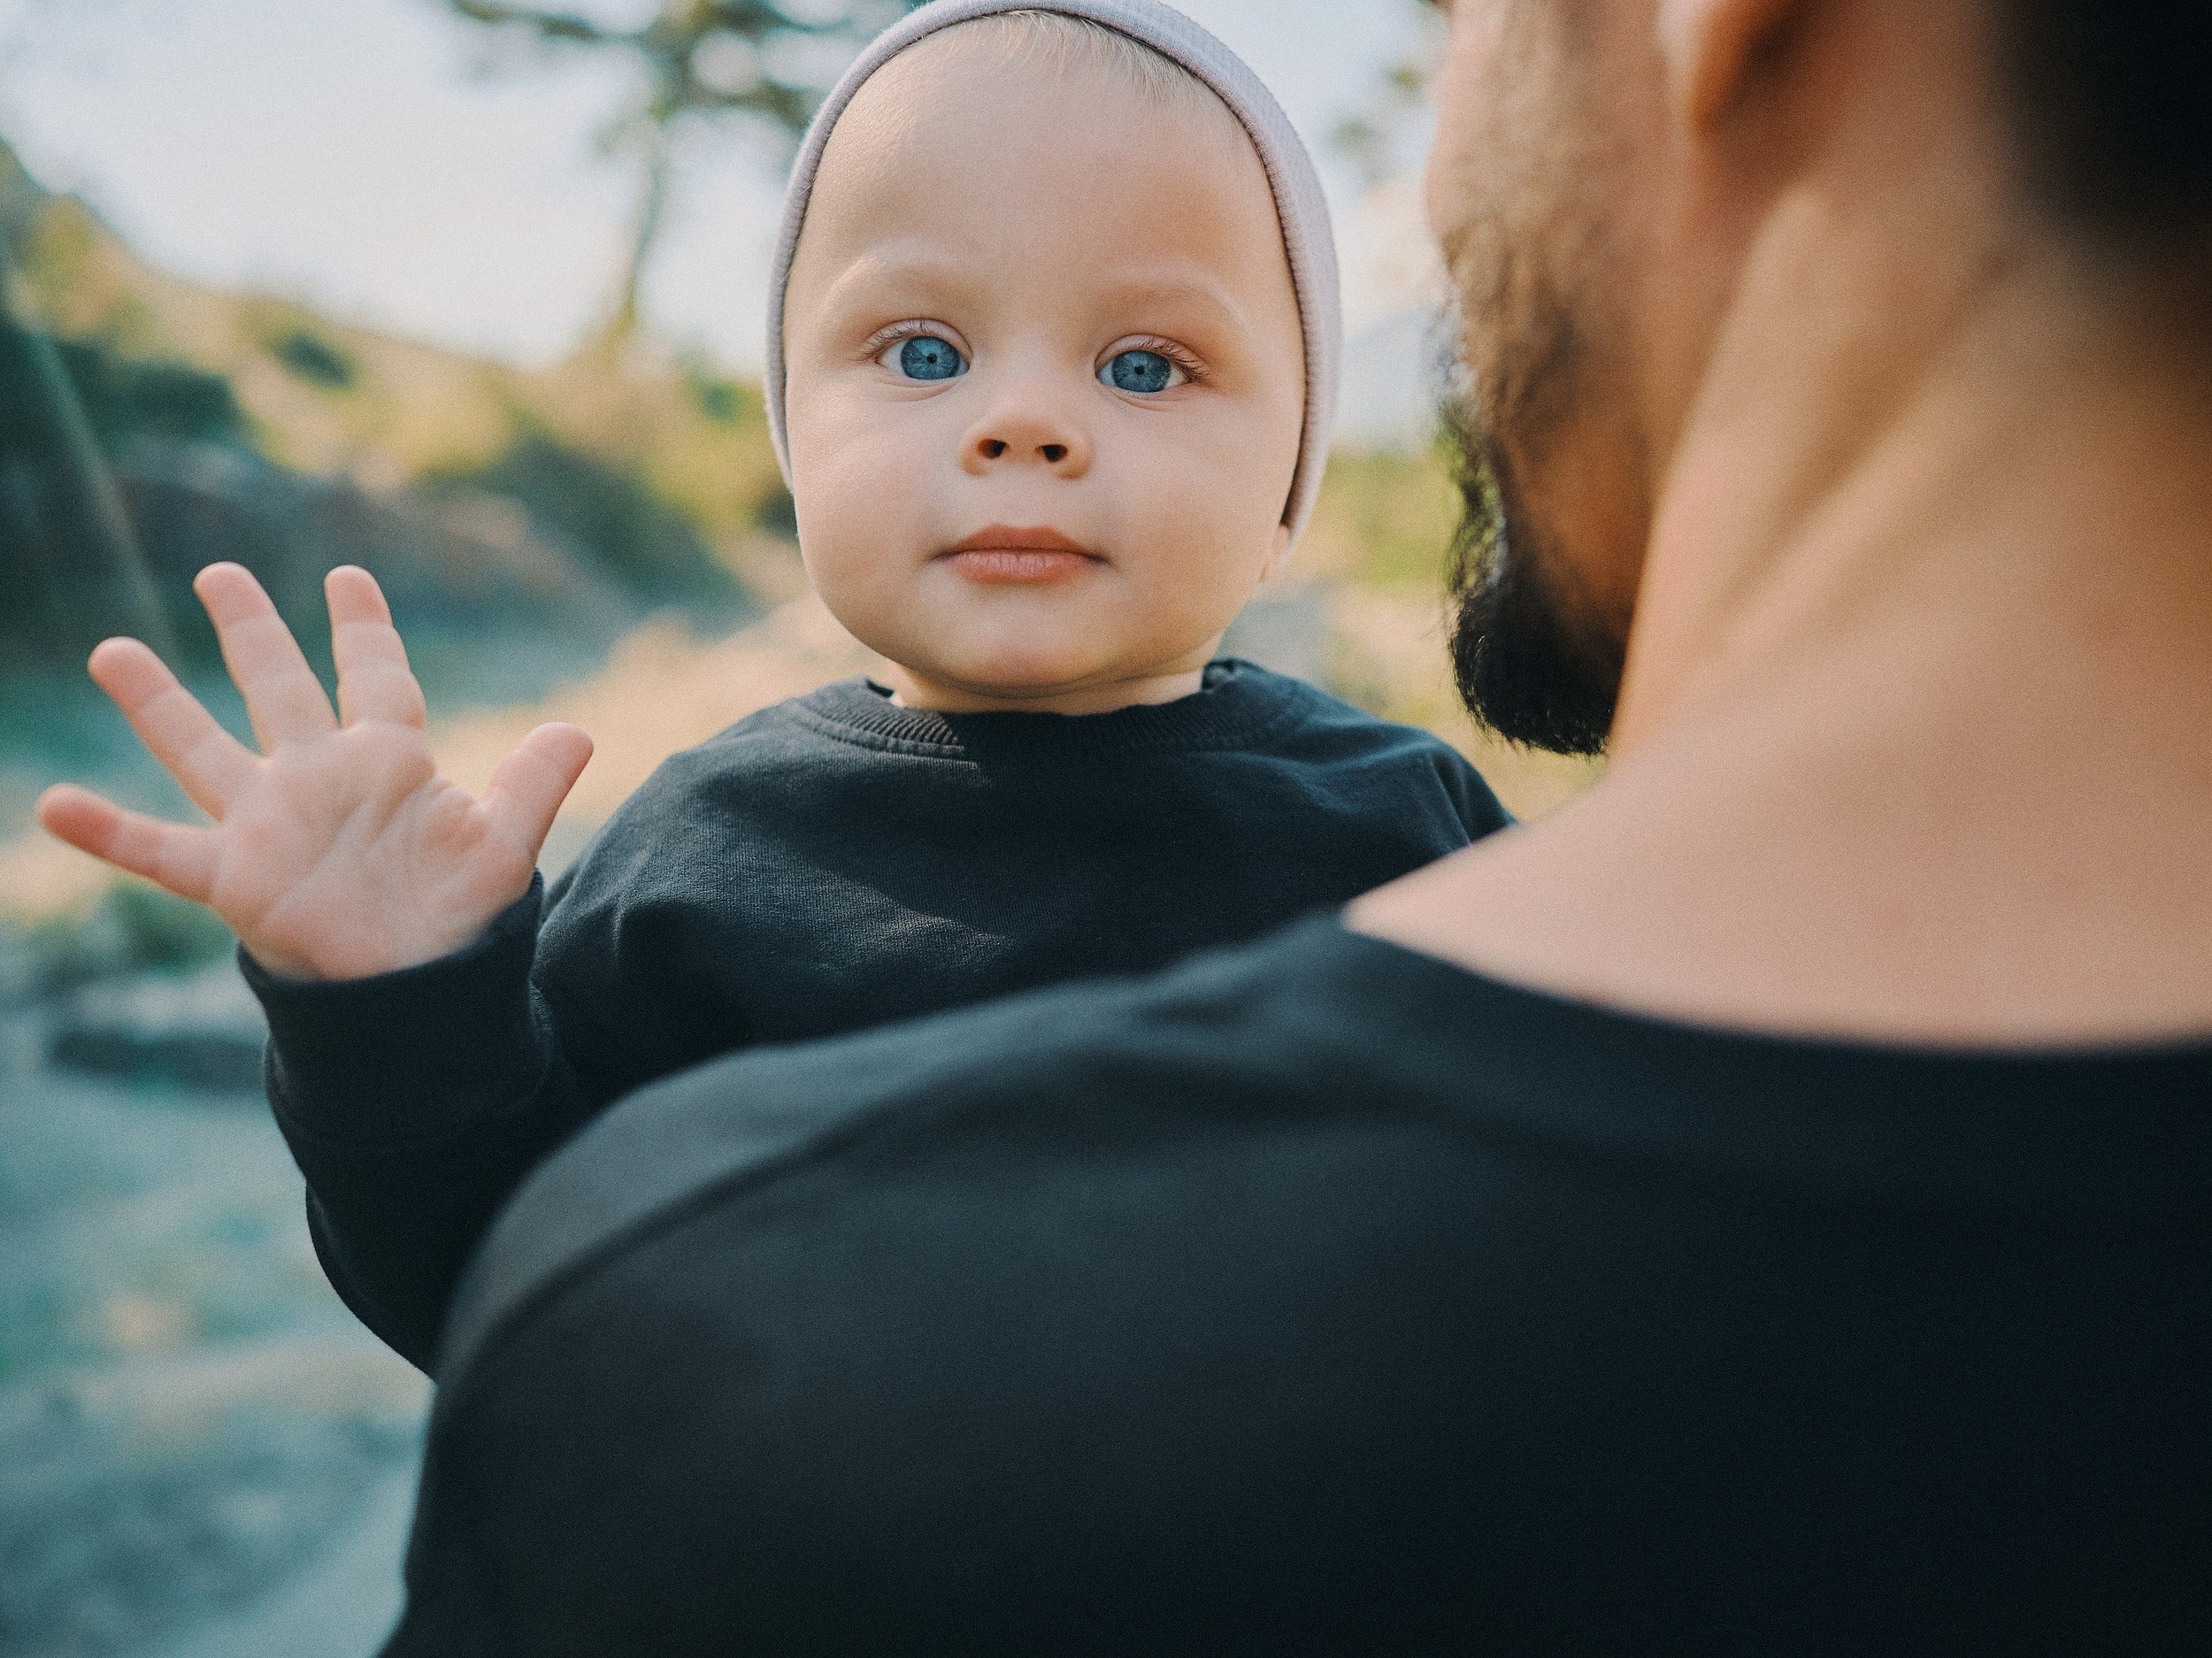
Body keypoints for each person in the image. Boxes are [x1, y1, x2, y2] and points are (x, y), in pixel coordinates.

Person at [33, 1, 1509, 1367]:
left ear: (1289, 491)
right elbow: (492, 1283)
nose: (1024, 421)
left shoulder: (1404, 833)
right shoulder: (701, 854)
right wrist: (392, 1002)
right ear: (798, 439)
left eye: (1144, 365)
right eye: (923, 349)